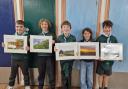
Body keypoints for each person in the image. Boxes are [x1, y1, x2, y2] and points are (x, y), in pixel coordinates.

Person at [4, 20, 30, 89]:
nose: (19, 28)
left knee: (25, 73)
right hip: (14, 58)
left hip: (24, 58)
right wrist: (5, 45)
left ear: (24, 28)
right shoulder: (12, 37)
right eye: (17, 27)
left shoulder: (27, 37)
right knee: (13, 73)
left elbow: (32, 47)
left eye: (21, 27)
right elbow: (9, 46)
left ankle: (27, 85)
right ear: (15, 27)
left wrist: (29, 48)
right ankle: (10, 85)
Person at [96, 20, 118, 89]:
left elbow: (117, 50)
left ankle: (106, 87)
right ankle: (99, 87)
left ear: (111, 28)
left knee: (107, 75)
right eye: (105, 27)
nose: (107, 29)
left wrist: (118, 57)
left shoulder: (114, 38)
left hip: (110, 62)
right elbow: (96, 50)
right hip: (101, 61)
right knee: (101, 75)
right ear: (103, 28)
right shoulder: (99, 38)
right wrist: (98, 57)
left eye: (109, 27)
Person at [56, 20, 76, 89]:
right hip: (62, 59)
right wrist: (55, 49)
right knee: (63, 73)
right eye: (64, 27)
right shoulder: (59, 37)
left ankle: (69, 87)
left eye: (67, 27)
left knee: (69, 74)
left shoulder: (73, 38)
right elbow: (57, 48)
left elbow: (75, 48)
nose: (66, 28)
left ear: (70, 28)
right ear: (62, 29)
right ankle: (64, 87)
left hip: (70, 60)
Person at [37, 18, 55, 89]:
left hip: (49, 57)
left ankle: (52, 87)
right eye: (43, 24)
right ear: (40, 26)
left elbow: (56, 46)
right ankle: (40, 87)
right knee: (41, 73)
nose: (44, 25)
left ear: (48, 25)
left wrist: (54, 42)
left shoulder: (52, 35)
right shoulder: (37, 36)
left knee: (51, 73)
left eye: (46, 24)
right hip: (40, 57)